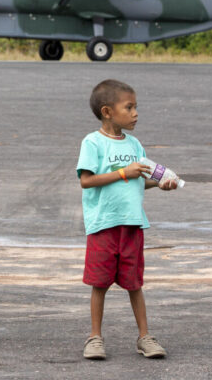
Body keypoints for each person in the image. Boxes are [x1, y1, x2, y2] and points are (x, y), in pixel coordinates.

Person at [75, 78, 178, 361]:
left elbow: (138, 181)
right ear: (107, 112)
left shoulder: (134, 144)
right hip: (103, 224)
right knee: (100, 283)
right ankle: (95, 338)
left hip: (132, 224)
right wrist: (123, 173)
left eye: (136, 107)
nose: (135, 113)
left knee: (134, 283)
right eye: (129, 107)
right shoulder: (92, 142)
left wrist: (160, 184)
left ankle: (145, 336)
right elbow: (87, 181)